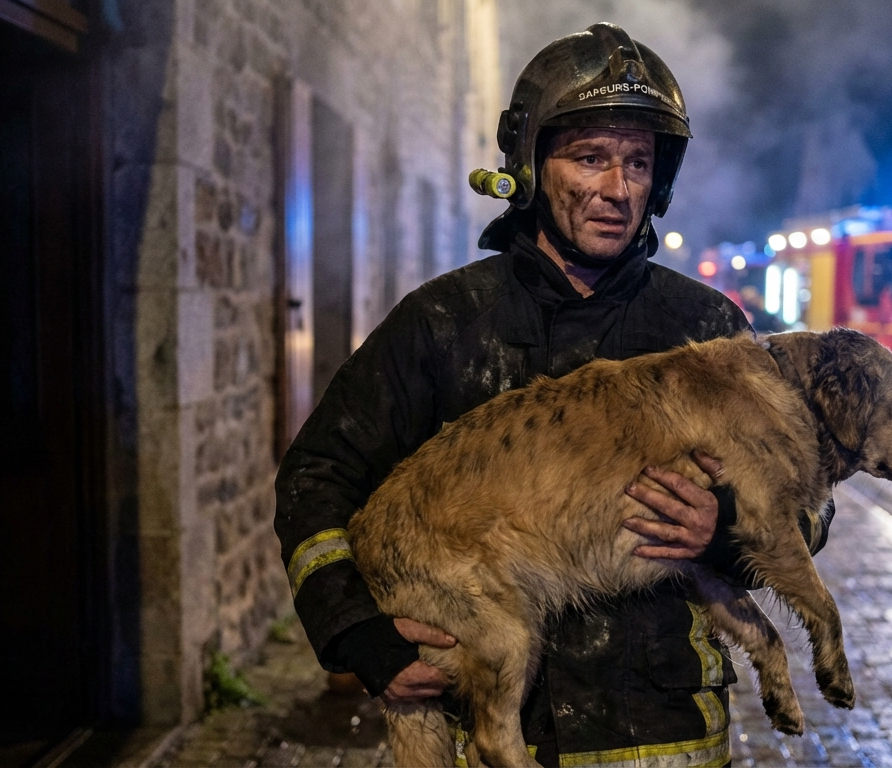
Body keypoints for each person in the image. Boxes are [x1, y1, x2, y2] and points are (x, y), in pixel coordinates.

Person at [274, 22, 832, 767]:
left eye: (638, 162)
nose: (618, 189)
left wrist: (725, 527)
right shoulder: (444, 323)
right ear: (531, 163)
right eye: (591, 158)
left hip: (669, 735)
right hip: (500, 738)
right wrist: (357, 634)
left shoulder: (706, 327)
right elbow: (316, 476)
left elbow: (807, 504)